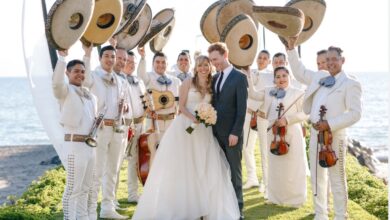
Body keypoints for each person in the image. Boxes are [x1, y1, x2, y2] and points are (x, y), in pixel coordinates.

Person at [132, 55, 240, 220]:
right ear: (195, 67)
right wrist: (194, 118)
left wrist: (208, 116)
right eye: (200, 65)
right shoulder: (188, 82)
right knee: (186, 167)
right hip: (186, 128)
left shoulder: (213, 84)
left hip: (204, 131)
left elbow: (214, 105)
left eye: (206, 65)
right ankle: (187, 207)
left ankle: (206, 208)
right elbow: (181, 106)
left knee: (204, 166)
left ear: (209, 66)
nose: (203, 68)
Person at [286, 37, 362, 220]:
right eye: (327, 60)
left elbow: (355, 114)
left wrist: (329, 124)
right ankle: (320, 214)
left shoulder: (351, 83)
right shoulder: (320, 76)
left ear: (342, 60)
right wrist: (291, 49)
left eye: (334, 59)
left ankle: (340, 216)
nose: (330, 63)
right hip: (315, 134)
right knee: (317, 176)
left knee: (337, 178)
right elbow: (299, 72)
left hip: (335, 136)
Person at [245, 66, 308, 207]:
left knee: (292, 165)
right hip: (273, 133)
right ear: (274, 79)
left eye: (284, 76)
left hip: (291, 132)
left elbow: (305, 113)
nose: (281, 79)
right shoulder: (269, 91)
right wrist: (248, 76)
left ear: (289, 77)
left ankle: (295, 198)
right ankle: (276, 197)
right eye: (278, 76)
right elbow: (253, 95)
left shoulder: (298, 93)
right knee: (275, 165)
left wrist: (287, 120)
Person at [83, 45, 129, 219]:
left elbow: (125, 104)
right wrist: (87, 54)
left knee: (113, 170)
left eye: (113, 56)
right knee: (97, 170)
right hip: (100, 130)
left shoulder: (121, 80)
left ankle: (108, 208)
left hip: (117, 129)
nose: (110, 59)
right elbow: (85, 79)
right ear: (101, 58)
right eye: (107, 56)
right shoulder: (93, 76)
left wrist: (125, 107)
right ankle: (91, 210)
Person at [52, 46, 97, 220]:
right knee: (73, 189)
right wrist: (62, 58)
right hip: (74, 146)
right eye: (76, 71)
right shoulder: (65, 91)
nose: (80, 74)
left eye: (82, 71)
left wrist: (88, 55)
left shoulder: (89, 95)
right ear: (68, 74)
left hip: (90, 146)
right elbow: (56, 84)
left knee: (86, 188)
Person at [208, 42, 248, 220]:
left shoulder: (239, 77)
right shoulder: (215, 78)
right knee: (220, 172)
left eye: (215, 59)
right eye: (211, 60)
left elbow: (242, 109)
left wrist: (235, 132)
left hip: (232, 135)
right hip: (215, 134)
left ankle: (238, 211)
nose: (213, 63)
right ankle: (223, 209)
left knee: (234, 173)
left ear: (225, 55)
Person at [242, 50, 272, 195]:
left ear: (269, 61)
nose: (261, 60)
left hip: (262, 116)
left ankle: (266, 183)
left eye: (265, 58)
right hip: (248, 113)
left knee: (264, 150)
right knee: (246, 147)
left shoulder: (272, 75)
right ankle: (252, 177)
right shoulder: (250, 72)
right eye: (259, 57)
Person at [137, 47, 181, 135]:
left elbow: (182, 102)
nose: (160, 65)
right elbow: (140, 76)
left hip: (172, 123)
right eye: (157, 62)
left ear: (167, 64)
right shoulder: (148, 77)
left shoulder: (176, 81)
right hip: (153, 123)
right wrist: (143, 58)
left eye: (163, 62)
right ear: (153, 64)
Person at [123, 50, 146, 203]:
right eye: (128, 61)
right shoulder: (119, 79)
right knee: (117, 163)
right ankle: (110, 200)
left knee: (135, 160)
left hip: (140, 124)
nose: (131, 65)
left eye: (133, 62)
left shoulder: (139, 81)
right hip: (125, 126)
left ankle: (133, 194)